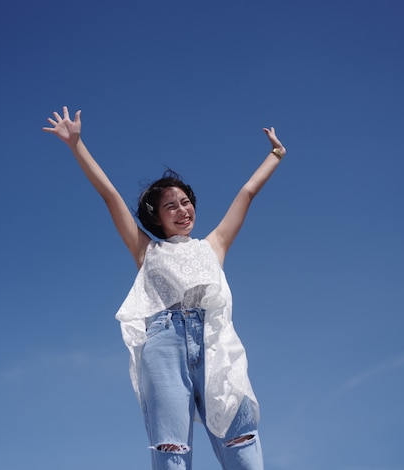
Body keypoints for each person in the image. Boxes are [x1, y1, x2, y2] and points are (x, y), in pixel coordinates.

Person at [43, 106, 286, 470]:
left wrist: (276, 155)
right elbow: (109, 195)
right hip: (165, 342)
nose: (182, 210)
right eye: (171, 206)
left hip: (214, 339)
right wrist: (76, 145)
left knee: (239, 431)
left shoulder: (213, 245)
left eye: (186, 202)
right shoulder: (146, 250)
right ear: (156, 216)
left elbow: (247, 193)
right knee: (171, 448)